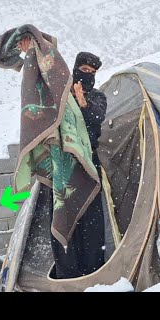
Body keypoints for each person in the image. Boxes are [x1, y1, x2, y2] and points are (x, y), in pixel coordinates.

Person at [19, 38, 107, 278]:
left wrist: (83, 103)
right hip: (61, 165)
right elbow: (43, 77)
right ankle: (67, 275)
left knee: (91, 224)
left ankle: (92, 275)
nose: (86, 75)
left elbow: (96, 120)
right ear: (75, 69)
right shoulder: (61, 95)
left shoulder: (97, 97)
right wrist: (30, 53)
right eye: (83, 70)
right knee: (62, 218)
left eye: (91, 72)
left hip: (88, 164)